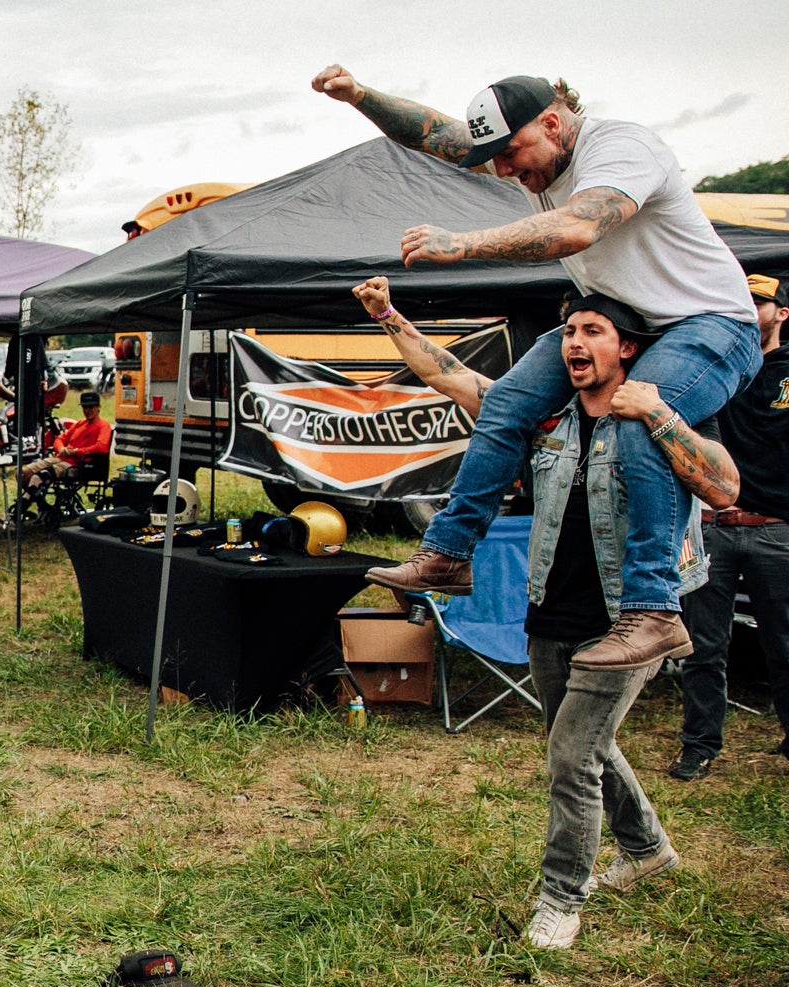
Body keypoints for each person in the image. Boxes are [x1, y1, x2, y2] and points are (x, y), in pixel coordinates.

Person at [313, 66, 762, 672]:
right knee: (505, 403)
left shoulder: (622, 148)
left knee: (638, 414)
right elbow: (433, 134)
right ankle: (449, 553)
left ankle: (654, 610)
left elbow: (577, 226)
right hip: (630, 321)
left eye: (511, 155)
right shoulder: (532, 148)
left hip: (709, 323)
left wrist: (464, 245)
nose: (502, 171)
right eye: (494, 158)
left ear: (553, 123)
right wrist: (360, 96)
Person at [356, 276, 740, 949]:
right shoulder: (546, 420)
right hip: (549, 611)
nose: (575, 342)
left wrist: (659, 415)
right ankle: (649, 849)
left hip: (628, 621)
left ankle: (561, 899)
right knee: (587, 746)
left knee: (570, 757)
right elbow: (450, 377)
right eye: (568, 331)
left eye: (592, 330)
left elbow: (725, 485)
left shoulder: (665, 409)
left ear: (628, 348)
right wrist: (387, 314)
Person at [672, 274, 789, 787]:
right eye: (740, 298)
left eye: (759, 300)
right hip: (712, 529)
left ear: (783, 314)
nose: (747, 307)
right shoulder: (711, 372)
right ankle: (699, 747)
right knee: (703, 648)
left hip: (776, 532)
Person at [17, 393, 111, 495]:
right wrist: (61, 449)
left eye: (91, 407)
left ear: (98, 407)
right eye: (85, 407)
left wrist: (76, 452)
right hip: (60, 458)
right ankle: (40, 503)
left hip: (77, 464)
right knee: (22, 473)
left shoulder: (103, 425)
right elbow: (60, 438)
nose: (87, 411)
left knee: (41, 476)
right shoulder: (80, 424)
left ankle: (26, 502)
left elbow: (102, 447)